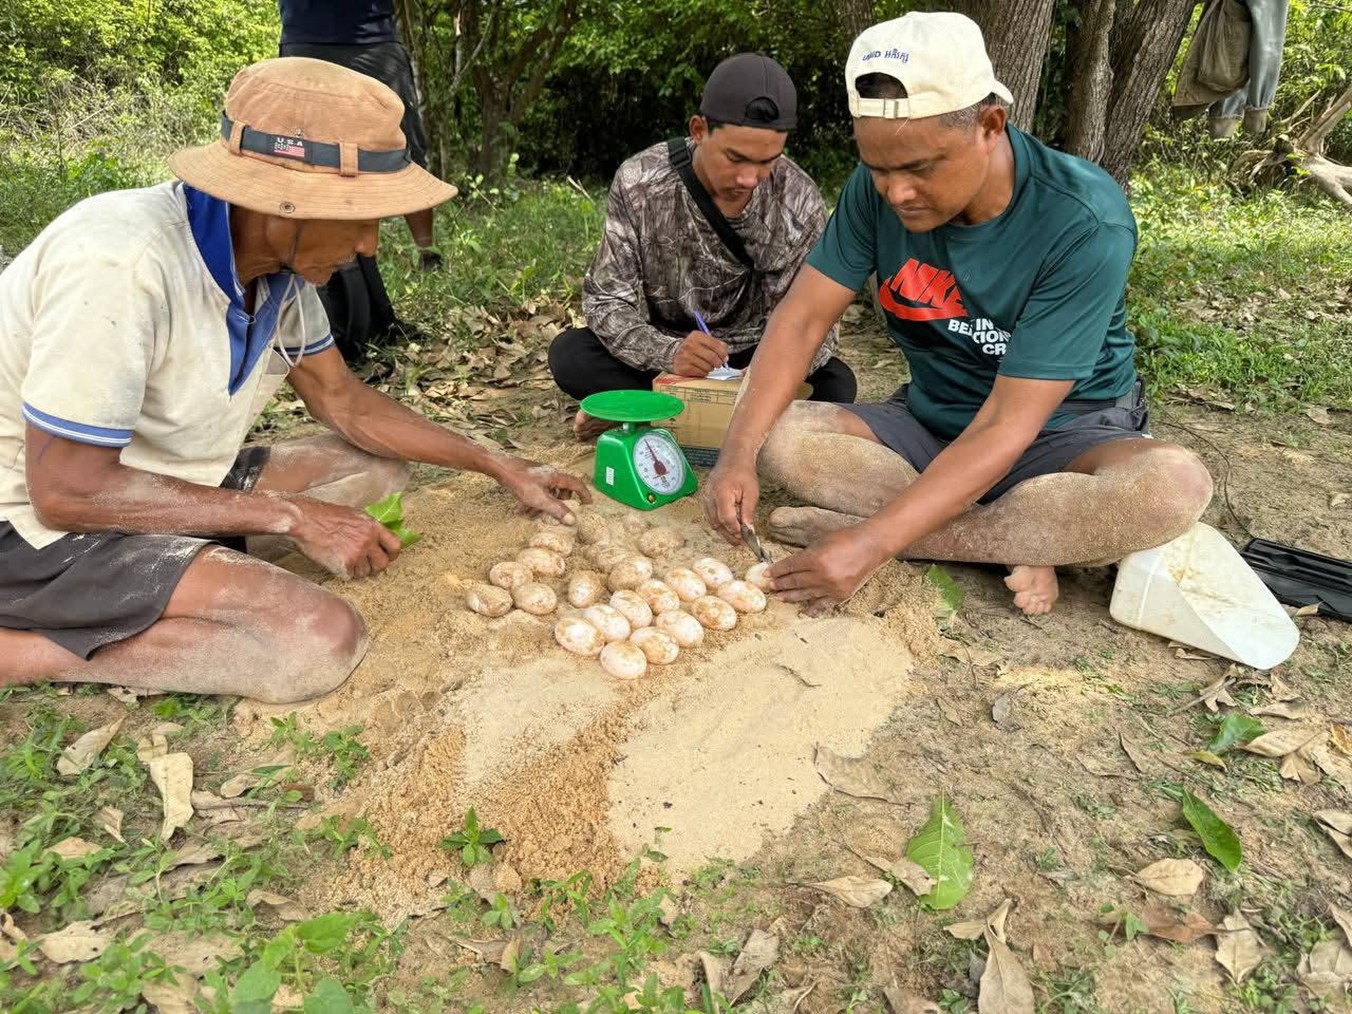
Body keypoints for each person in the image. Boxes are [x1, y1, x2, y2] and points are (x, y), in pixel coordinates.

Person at [0, 58, 588, 702]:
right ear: (280, 204)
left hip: (142, 476)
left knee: (376, 471)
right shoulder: (119, 261)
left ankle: (180, 574)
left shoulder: (276, 274)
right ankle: (29, 650)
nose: (369, 245)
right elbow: (63, 490)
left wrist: (498, 463)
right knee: (315, 639)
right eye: (356, 215)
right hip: (30, 520)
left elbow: (345, 402)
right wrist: (291, 516)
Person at [703, 13, 1213, 617]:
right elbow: (802, 320)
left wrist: (869, 545)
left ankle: (933, 537)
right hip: (935, 423)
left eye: (919, 167)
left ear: (990, 126)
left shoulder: (1082, 219)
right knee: (780, 436)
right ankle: (1018, 536)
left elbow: (1006, 424)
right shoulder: (877, 192)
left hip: (1066, 434)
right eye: (878, 168)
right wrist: (736, 451)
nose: (896, 193)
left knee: (1171, 489)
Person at [548, 53, 857, 440]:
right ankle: (721, 416)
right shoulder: (640, 182)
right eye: (735, 158)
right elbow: (607, 301)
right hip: (670, 354)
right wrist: (669, 353)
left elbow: (814, 324)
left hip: (753, 359)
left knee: (837, 385)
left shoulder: (797, 198)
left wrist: (763, 372)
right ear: (698, 130)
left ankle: (645, 412)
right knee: (570, 355)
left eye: (767, 161)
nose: (749, 179)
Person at [278, 0, 441, 271]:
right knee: (298, 152)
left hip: (373, 39)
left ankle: (428, 252)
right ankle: (310, 254)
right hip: (303, 37)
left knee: (406, 147)